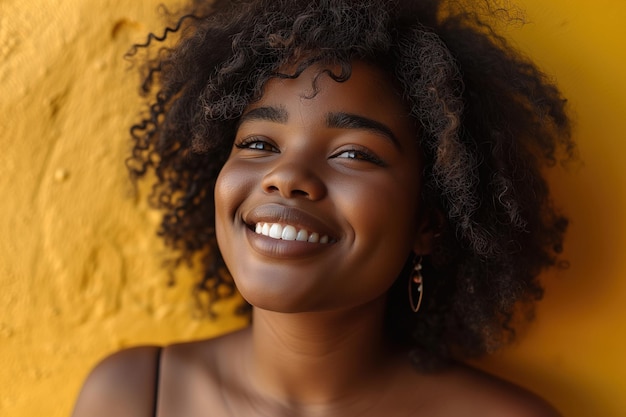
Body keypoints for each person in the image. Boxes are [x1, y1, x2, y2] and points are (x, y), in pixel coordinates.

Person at [71, 0, 575, 415]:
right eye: (260, 144)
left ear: (429, 222)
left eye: (353, 153)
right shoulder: (135, 396)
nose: (286, 176)